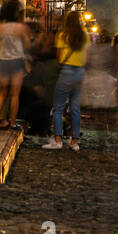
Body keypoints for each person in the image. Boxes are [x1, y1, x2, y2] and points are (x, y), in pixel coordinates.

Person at [44, 10, 89, 151]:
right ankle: (74, 141)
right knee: (75, 108)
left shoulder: (62, 35)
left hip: (67, 71)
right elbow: (87, 55)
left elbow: (59, 56)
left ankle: (58, 140)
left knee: (58, 108)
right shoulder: (85, 35)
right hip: (80, 72)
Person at [0, 0, 31, 130]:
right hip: (16, 61)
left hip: (3, 61)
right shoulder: (20, 27)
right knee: (14, 94)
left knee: (2, 92)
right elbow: (27, 45)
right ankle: (13, 122)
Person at [19, 32, 60, 136]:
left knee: (45, 104)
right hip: (29, 105)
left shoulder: (44, 65)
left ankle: (41, 128)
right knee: (44, 104)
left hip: (36, 98)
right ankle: (40, 128)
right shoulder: (38, 67)